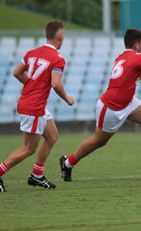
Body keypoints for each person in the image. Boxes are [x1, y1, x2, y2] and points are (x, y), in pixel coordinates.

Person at [59, 28, 141, 182]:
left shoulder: (122, 57)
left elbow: (134, 78)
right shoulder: (138, 57)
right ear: (137, 44)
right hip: (111, 107)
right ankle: (67, 162)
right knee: (99, 141)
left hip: (128, 102)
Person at [0, 21, 74, 192]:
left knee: (52, 136)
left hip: (32, 103)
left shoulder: (32, 52)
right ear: (60, 38)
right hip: (34, 106)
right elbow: (56, 84)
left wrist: (32, 84)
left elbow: (16, 72)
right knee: (29, 148)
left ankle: (36, 175)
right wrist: (67, 99)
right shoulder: (58, 58)